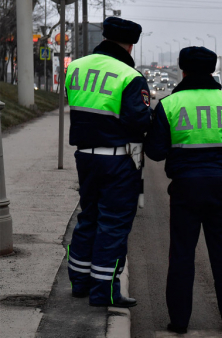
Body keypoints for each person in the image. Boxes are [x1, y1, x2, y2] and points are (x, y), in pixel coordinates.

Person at [144, 46, 222, 334]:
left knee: (181, 254)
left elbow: (156, 152)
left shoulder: (170, 105)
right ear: (211, 70)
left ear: (182, 70)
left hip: (184, 188)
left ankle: (179, 322)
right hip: (220, 186)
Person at [65, 17, 152, 308]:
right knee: (113, 224)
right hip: (117, 162)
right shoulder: (129, 75)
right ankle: (105, 292)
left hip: (84, 157)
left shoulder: (75, 67)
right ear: (130, 45)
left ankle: (79, 282)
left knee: (88, 217)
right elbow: (138, 121)